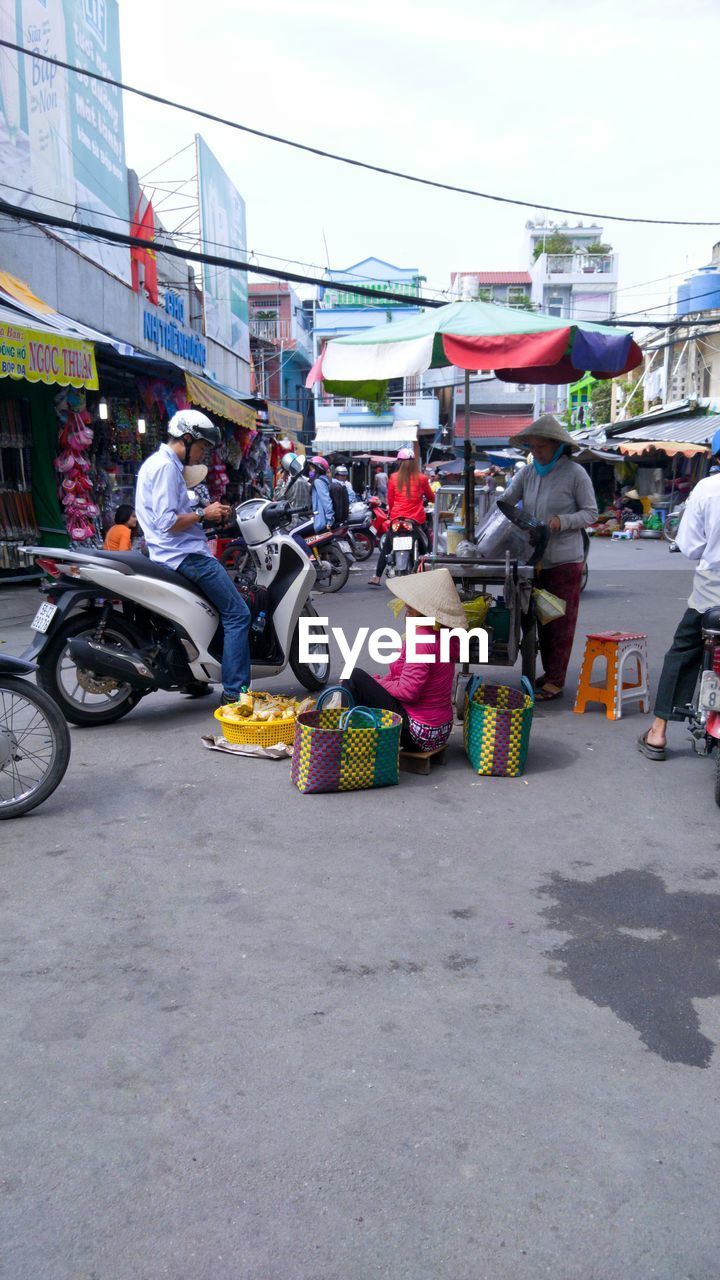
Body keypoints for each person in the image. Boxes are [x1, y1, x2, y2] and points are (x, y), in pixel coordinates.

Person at [134, 409, 251, 703]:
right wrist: (203, 513)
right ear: (187, 439)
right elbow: (165, 521)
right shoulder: (165, 467)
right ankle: (237, 693)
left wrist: (207, 515)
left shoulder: (162, 464)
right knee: (238, 614)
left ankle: (193, 680)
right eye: (201, 447)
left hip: (172, 553)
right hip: (185, 556)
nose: (202, 455)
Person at [502, 414, 598, 701]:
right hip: (533, 558)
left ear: (557, 446)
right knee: (538, 619)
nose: (535, 453)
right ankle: (547, 671)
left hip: (565, 559)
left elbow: (592, 513)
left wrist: (561, 521)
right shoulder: (528, 472)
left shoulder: (575, 474)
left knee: (560, 622)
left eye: (541, 448)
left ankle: (556, 679)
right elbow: (506, 501)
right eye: (531, 447)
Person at [638, 465, 720, 760]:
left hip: (713, 593)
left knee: (684, 651)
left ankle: (658, 732)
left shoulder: (708, 489)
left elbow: (690, 545)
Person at [342, 567, 466, 751]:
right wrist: (379, 683)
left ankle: (344, 740)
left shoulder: (422, 638)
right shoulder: (447, 633)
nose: (406, 611)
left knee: (354, 677)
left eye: (410, 608)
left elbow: (408, 692)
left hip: (421, 733)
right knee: (364, 682)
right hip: (441, 730)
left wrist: (376, 682)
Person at [369, 449, 436, 586]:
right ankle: (431, 572)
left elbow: (391, 500)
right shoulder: (422, 478)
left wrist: (393, 513)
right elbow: (431, 497)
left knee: (387, 545)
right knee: (427, 543)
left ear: (399, 462)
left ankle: (376, 576)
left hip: (397, 518)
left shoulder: (394, 477)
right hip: (415, 519)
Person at [308, 455, 335, 533]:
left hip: (321, 521)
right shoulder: (325, 480)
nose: (310, 471)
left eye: (312, 469)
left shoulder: (318, 482)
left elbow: (326, 500)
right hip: (321, 520)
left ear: (318, 469)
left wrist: (329, 520)